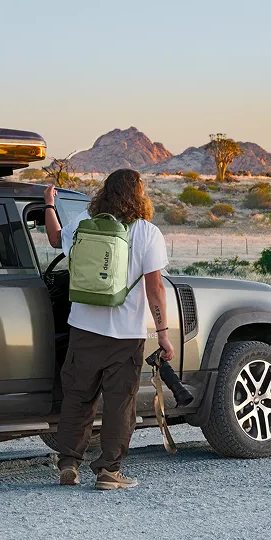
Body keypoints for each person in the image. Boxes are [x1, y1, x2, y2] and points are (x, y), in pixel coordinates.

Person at [44, 168, 174, 490]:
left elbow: (53, 238)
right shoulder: (147, 233)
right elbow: (155, 287)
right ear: (139, 195)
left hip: (83, 329)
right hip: (126, 335)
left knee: (78, 398)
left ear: (105, 192)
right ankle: (108, 472)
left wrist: (49, 204)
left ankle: (69, 464)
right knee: (119, 405)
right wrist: (163, 333)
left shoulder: (82, 225)